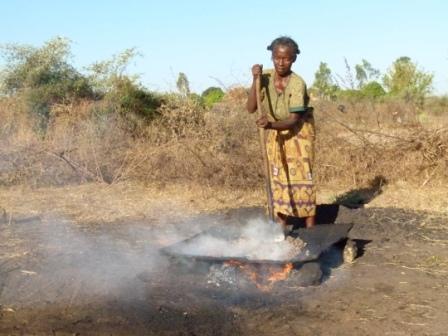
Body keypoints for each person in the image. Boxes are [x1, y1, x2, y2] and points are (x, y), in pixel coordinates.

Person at [246, 36, 316, 231]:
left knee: (302, 177)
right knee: (279, 175)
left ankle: (311, 228)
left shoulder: (297, 83)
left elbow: (294, 119)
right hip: (274, 129)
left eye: (286, 59)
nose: (281, 63)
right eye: (277, 58)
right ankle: (281, 225)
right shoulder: (264, 78)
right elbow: (250, 108)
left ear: (294, 59)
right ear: (272, 57)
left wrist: (270, 125)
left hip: (299, 131)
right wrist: (255, 81)